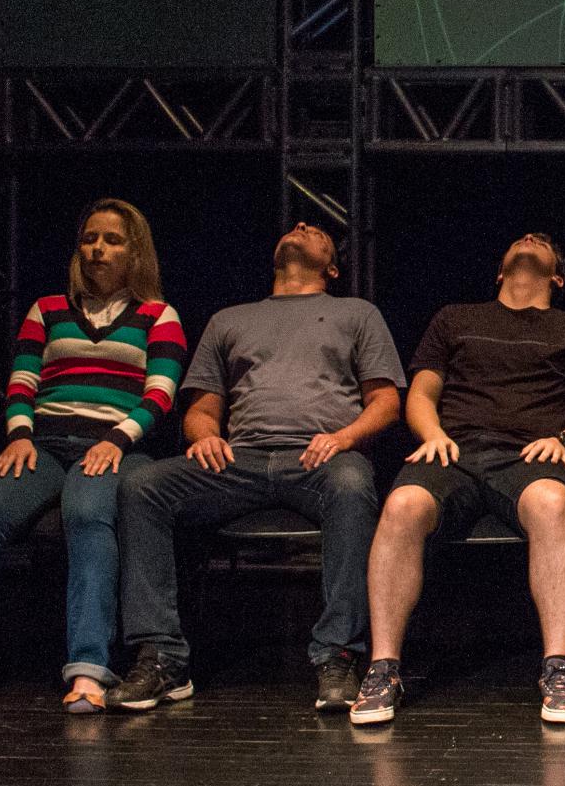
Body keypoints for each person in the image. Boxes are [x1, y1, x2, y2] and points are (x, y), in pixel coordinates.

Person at [0, 199, 185, 713]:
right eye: (90, 239)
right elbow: (23, 382)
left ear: (135, 252)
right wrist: (20, 435)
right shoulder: (47, 310)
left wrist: (116, 440)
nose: (97, 249)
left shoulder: (158, 315)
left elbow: (160, 393)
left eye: (112, 240)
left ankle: (88, 669)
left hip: (116, 445)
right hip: (44, 442)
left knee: (87, 515)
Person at [110, 222, 404, 714]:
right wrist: (206, 436)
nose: (301, 225)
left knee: (353, 483)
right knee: (142, 485)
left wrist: (344, 438)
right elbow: (201, 409)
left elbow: (386, 402)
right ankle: (162, 657)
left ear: (332, 269)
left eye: (316, 231)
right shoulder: (231, 319)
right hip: (239, 459)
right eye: (295, 225)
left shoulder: (356, 313)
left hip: (320, 457)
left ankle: (337, 655)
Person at [349, 233, 565, 727]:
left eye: (542, 241)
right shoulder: (456, 318)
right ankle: (383, 668)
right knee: (402, 504)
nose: (529, 238)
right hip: (454, 449)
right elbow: (421, 393)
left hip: (529, 452)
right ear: (499, 271)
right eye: (520, 239)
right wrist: (432, 434)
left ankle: (557, 666)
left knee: (552, 502)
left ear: (557, 277)